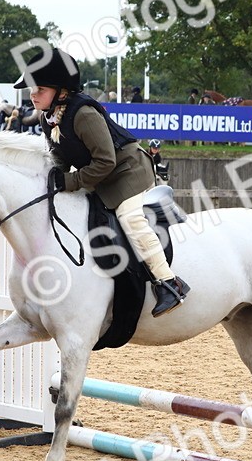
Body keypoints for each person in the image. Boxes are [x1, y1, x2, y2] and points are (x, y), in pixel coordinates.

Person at [15, 47, 190, 316]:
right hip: (100, 177)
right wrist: (50, 180)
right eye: (31, 89)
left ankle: (169, 283)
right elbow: (60, 160)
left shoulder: (84, 114)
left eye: (39, 88)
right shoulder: (47, 118)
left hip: (128, 172)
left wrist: (70, 181)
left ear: (62, 90)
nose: (33, 94)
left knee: (130, 218)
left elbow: (106, 161)